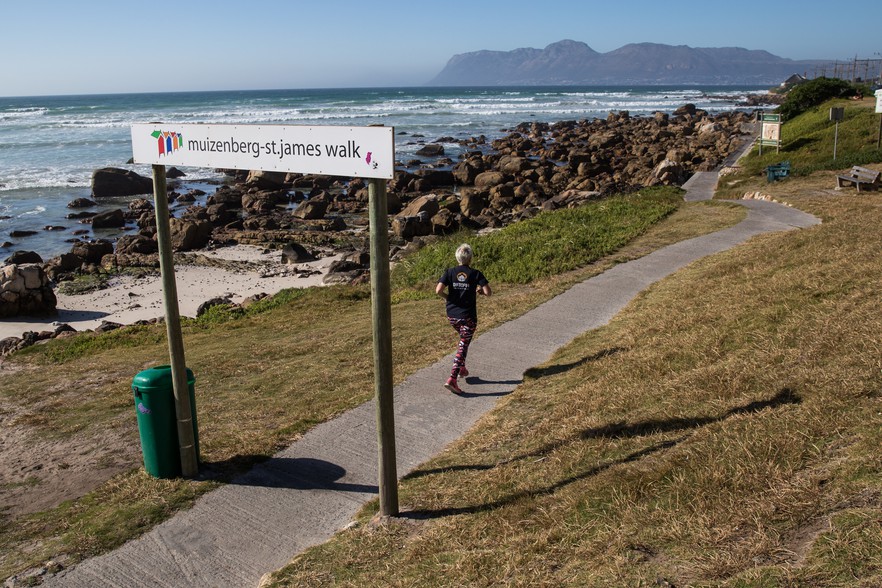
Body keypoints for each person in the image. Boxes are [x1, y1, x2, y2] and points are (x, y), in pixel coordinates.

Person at [435, 243, 491, 394]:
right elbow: (488, 292)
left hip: (452, 316)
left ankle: (462, 368)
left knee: (463, 340)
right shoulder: (475, 274)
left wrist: (449, 299)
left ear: (457, 257)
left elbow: (438, 290)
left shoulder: (450, 272)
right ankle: (452, 379)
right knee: (463, 345)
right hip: (468, 316)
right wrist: (479, 290)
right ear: (470, 258)